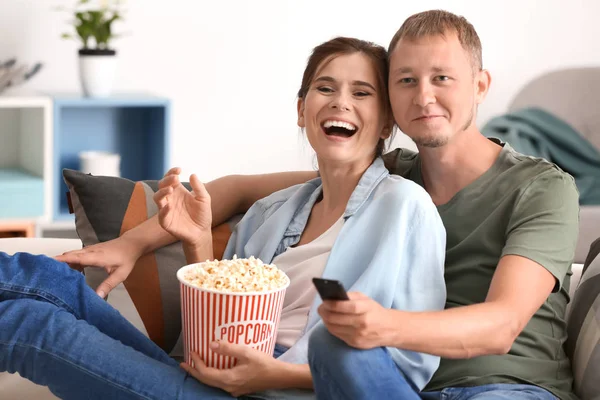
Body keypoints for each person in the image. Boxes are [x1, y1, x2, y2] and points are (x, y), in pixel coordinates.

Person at [59, 9, 581, 400]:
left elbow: (501, 325)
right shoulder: (386, 175)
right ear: (393, 105)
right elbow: (240, 189)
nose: (424, 96)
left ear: (480, 86)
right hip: (387, 386)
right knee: (337, 349)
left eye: (442, 78)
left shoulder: (540, 188)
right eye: (406, 80)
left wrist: (380, 326)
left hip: (507, 387)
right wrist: (131, 243)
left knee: (338, 345)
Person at [0, 37, 447, 400]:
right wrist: (196, 243)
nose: (340, 102)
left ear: (387, 122)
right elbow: (217, 326)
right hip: (210, 378)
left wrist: (271, 375)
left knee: (30, 326)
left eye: (362, 93)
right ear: (301, 109)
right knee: (44, 280)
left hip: (277, 393)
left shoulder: (406, 208)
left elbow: (409, 366)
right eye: (325, 88)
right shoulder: (273, 212)